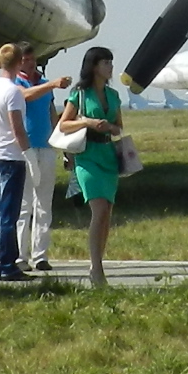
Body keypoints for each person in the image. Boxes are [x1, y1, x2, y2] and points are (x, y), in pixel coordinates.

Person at [65, 45, 125, 287]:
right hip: (87, 156)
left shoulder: (113, 96)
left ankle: (98, 259)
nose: (110, 67)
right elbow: (64, 124)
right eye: (105, 63)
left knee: (107, 214)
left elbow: (120, 126)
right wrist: (88, 122)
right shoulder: (80, 94)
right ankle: (96, 268)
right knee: (98, 210)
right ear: (94, 66)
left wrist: (109, 127)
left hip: (107, 154)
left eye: (111, 62)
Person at [0, 43, 37, 281]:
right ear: (19, 62)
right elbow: (18, 129)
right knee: (8, 214)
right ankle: (7, 264)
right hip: (11, 156)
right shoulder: (13, 92)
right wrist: (29, 154)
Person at [14, 47, 70, 273]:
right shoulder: (17, 83)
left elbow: (51, 112)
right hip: (24, 148)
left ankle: (40, 255)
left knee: (44, 203)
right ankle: (20, 255)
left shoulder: (45, 83)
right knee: (24, 204)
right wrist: (51, 85)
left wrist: (61, 141)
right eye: (25, 60)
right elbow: (26, 96)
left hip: (45, 146)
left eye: (32, 59)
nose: (29, 63)